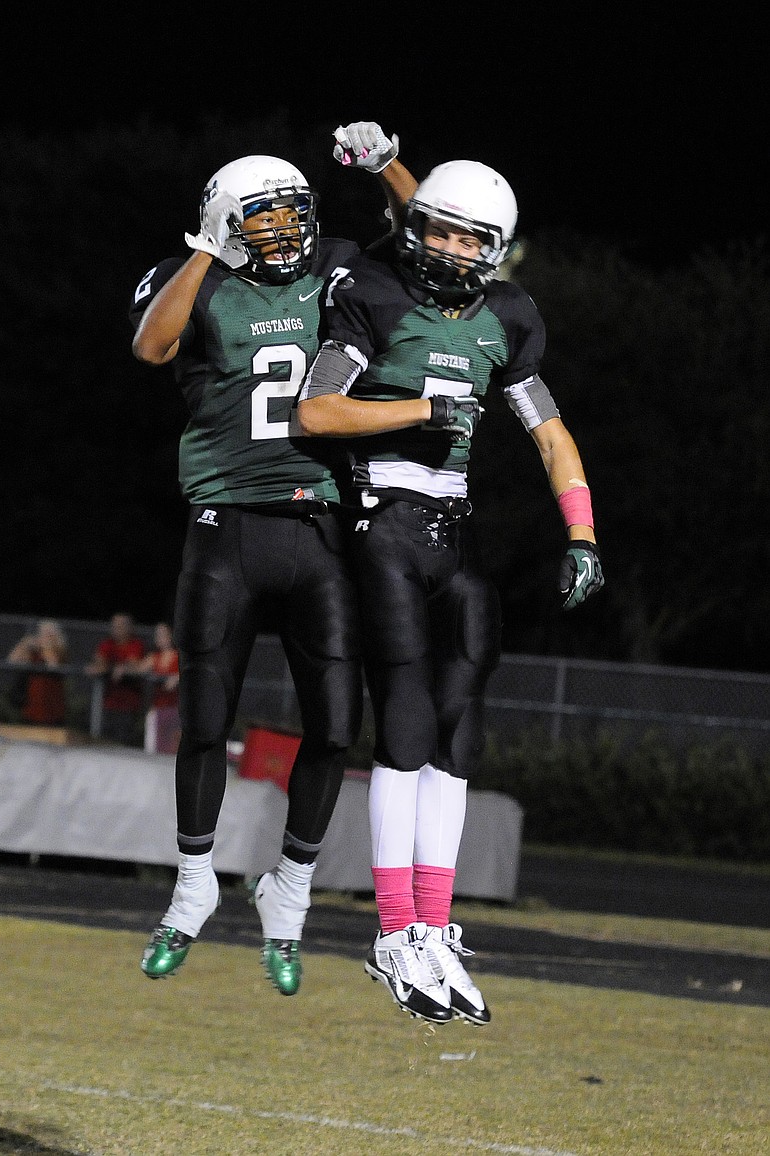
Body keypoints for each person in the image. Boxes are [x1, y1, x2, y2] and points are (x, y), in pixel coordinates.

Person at [297, 158, 605, 1024]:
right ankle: (394, 930)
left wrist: (580, 530)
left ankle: (434, 926)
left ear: (497, 250)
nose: (447, 246)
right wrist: (420, 412)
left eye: (468, 236)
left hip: (450, 532)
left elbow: (550, 434)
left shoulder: (509, 318)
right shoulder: (375, 291)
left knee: (459, 729)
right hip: (380, 519)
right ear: (413, 223)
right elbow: (315, 412)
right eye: (435, 227)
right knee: (402, 720)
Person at [129, 122, 418, 995]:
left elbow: (418, 240)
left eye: (293, 212)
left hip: (320, 526)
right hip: (225, 526)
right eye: (262, 218)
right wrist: (206, 254)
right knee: (206, 717)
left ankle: (287, 888)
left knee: (336, 725)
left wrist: (387, 165)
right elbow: (151, 346)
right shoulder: (195, 277)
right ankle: (190, 887)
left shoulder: (332, 265)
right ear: (225, 221)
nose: (284, 230)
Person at [85, 612, 146, 745]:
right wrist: (113, 667)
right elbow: (99, 663)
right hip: (108, 702)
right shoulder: (108, 644)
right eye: (115, 625)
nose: (116, 628)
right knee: (103, 741)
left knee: (123, 742)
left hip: (128, 705)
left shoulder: (135, 644)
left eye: (121, 625)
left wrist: (122, 668)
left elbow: (134, 664)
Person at [6, 619, 68, 726]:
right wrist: (24, 644)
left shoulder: (60, 649)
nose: (42, 636)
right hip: (32, 702)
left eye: (47, 634)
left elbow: (53, 664)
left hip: (51, 703)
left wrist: (45, 646)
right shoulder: (34, 651)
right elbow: (12, 660)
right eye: (41, 633)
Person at [138, 621, 180, 710]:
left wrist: (177, 677)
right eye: (157, 635)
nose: (160, 638)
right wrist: (124, 667)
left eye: (163, 634)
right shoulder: (153, 657)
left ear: (171, 635)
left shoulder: (180, 657)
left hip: (176, 707)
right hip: (158, 705)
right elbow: (138, 669)